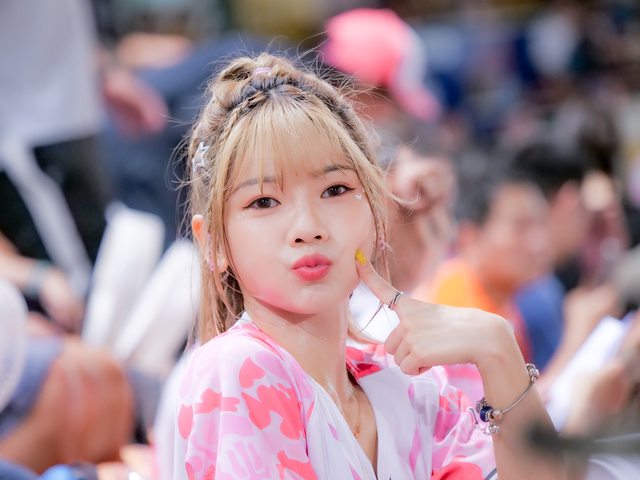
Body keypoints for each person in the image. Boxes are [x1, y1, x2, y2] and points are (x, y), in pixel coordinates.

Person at [174, 53, 564, 479]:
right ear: (213, 242)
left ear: (377, 214)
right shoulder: (237, 367)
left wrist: (498, 349)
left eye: (335, 189)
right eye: (263, 201)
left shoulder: (408, 385)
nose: (307, 228)